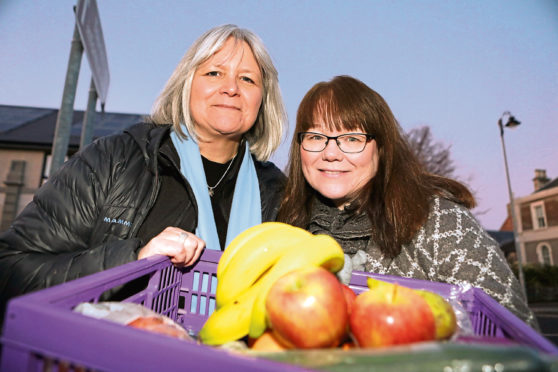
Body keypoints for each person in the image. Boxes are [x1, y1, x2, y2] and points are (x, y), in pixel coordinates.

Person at [0, 25, 287, 327]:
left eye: (247, 78)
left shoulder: (276, 192)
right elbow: (10, 271)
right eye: (214, 73)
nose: (231, 88)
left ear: (263, 98)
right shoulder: (116, 159)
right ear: (186, 84)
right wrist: (133, 260)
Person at [277, 75, 537, 328]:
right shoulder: (283, 229)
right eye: (315, 137)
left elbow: (515, 333)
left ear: (381, 148)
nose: (330, 153)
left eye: (352, 139)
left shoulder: (441, 223)